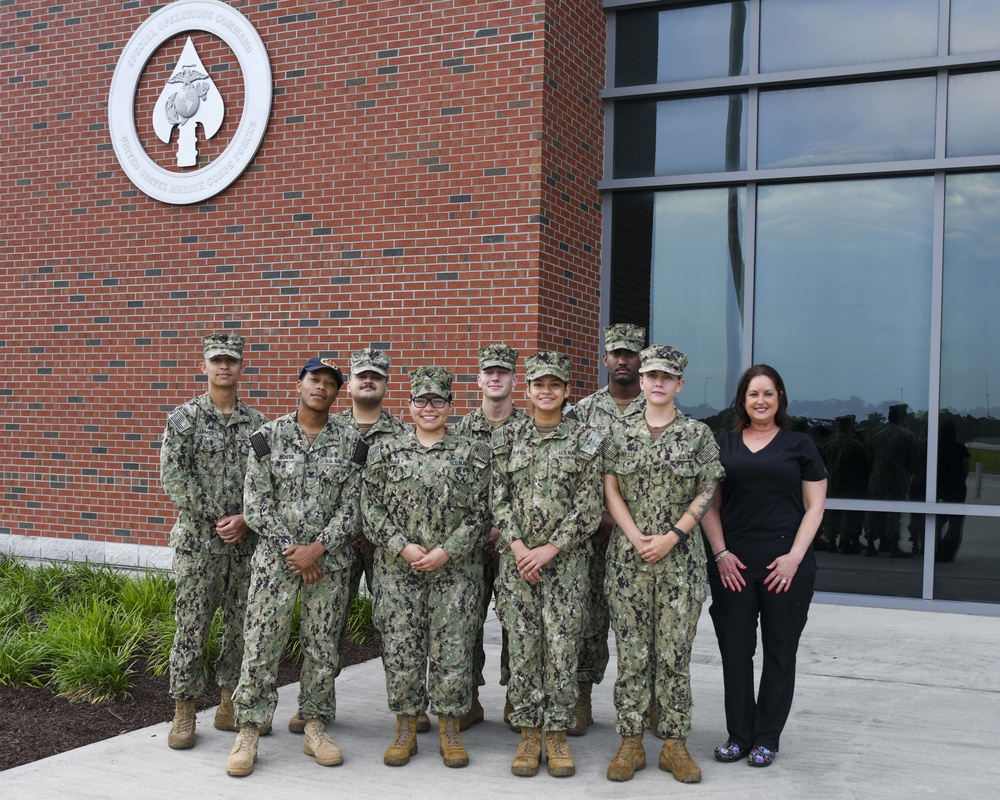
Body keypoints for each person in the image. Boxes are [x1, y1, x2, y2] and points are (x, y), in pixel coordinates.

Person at [226, 357, 368, 777]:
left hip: (329, 565)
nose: (321, 387)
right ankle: (249, 730)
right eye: (314, 380)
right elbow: (256, 504)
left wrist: (318, 548)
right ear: (300, 383)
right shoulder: (267, 437)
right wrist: (295, 550)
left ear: (337, 391)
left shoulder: (352, 442)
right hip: (276, 564)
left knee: (322, 647)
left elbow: (353, 505)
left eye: (329, 383)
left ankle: (315, 726)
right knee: (261, 645)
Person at [602, 345, 723, 783]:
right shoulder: (619, 432)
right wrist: (635, 536)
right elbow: (610, 488)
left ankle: (674, 744)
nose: (657, 382)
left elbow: (708, 490)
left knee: (674, 654)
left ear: (679, 384)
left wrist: (674, 535)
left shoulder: (697, 434)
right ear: (643, 379)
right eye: (651, 374)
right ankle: (630, 742)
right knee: (632, 653)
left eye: (666, 377)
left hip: (680, 562)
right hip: (628, 559)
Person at [363, 367, 490, 769]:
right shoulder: (385, 451)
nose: (429, 408)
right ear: (410, 405)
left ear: (450, 406)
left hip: (455, 573)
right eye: (422, 400)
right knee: (402, 649)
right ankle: (405, 728)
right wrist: (402, 547)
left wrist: (446, 551)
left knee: (453, 650)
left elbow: (484, 513)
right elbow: (371, 507)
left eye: (438, 400)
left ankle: (450, 729)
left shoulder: (473, 452)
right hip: (399, 572)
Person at [701, 364, 827, 768]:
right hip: (732, 567)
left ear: (780, 399)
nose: (761, 401)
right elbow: (709, 506)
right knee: (736, 653)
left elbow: (815, 508)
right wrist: (720, 554)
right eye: (753, 394)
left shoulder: (801, 445)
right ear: (742, 400)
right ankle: (738, 735)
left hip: (787, 569)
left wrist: (794, 557)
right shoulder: (722, 444)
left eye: (769, 394)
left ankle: (766, 738)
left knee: (779, 654)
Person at [491, 351, 607, 778]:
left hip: (566, 566)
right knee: (523, 649)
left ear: (566, 392)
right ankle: (527, 734)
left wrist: (551, 548)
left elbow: (589, 506)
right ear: (528, 391)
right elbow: (497, 499)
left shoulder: (586, 440)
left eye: (554, 385)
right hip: (517, 564)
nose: (546, 391)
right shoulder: (507, 439)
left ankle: (556, 735)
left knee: (561, 650)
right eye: (539, 385)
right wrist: (522, 548)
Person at [284, 348, 410, 736]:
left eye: (376, 375)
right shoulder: (327, 427)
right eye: (361, 375)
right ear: (350, 385)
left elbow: (408, 493)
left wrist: (379, 533)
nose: (368, 380)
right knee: (325, 626)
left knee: (394, 622)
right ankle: (314, 705)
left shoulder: (403, 434)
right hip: (334, 547)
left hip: (385, 547)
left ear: (386, 384)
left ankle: (407, 706)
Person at [160, 333, 268, 750]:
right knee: (192, 626)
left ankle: (229, 705)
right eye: (216, 360)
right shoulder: (183, 419)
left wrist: (245, 518)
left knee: (242, 626)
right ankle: (184, 711)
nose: (224, 366)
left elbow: (266, 481)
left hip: (244, 544)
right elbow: (174, 477)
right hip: (198, 545)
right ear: (203, 366)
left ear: (242, 368)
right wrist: (218, 516)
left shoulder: (258, 425)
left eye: (231, 360)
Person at [568, 323, 646, 736]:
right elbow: (572, 479)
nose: (622, 360)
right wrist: (603, 521)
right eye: (616, 353)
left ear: (641, 359)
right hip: (593, 539)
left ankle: (648, 702)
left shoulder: (658, 409)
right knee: (590, 619)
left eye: (630, 353)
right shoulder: (581, 413)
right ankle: (582, 695)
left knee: (643, 623)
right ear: (604, 359)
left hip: (646, 544)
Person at [452, 344, 526, 730]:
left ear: (515, 380)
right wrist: (478, 530)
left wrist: (504, 529)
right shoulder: (460, 430)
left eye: (503, 372)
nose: (495, 378)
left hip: (516, 545)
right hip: (471, 547)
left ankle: (518, 697)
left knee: (517, 623)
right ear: (478, 379)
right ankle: (468, 698)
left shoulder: (529, 430)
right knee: (466, 621)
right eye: (488, 372)